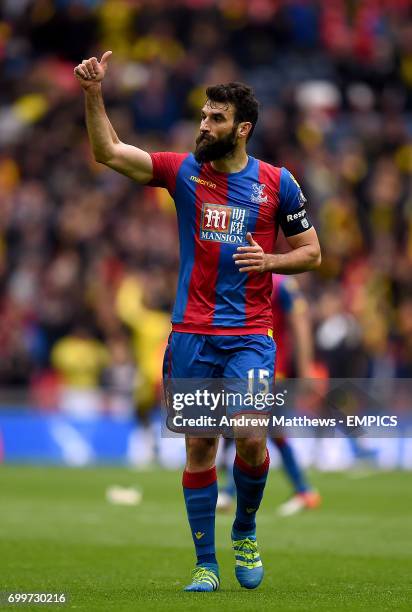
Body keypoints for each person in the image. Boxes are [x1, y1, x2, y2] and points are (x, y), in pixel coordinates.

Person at [74, 51, 321, 592]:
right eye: (202, 116)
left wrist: (271, 260)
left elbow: (311, 252)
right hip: (191, 335)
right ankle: (205, 564)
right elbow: (107, 151)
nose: (203, 125)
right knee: (200, 447)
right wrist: (94, 95)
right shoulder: (183, 172)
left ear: (242, 128)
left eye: (215, 118)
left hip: (252, 335)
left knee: (253, 438)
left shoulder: (279, 183)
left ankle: (247, 529)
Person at [217, 275, 322, 517]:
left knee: (250, 428)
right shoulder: (241, 279)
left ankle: (229, 491)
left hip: (271, 370)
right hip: (247, 368)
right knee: (269, 432)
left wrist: (306, 368)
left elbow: (300, 322)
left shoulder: (282, 284)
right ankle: (304, 490)